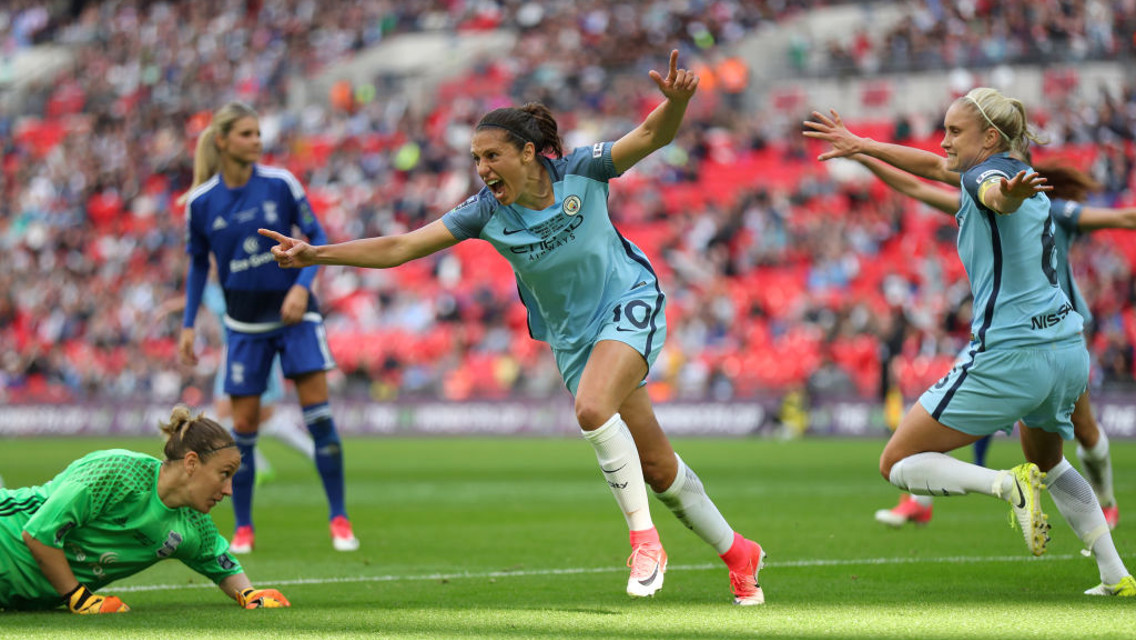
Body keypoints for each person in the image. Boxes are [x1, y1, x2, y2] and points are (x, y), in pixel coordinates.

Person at [259, 51, 767, 605]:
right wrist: (317, 255)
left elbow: (650, 136)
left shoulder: (583, 170)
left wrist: (678, 104)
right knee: (656, 465)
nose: (482, 168)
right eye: (476, 158)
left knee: (592, 410)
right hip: (573, 339)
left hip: (629, 301)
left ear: (528, 153)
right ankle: (740, 553)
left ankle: (645, 541)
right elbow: (402, 246)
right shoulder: (484, 212)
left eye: (492, 155)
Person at [803, 88, 1134, 596]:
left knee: (895, 463)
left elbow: (994, 192)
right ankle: (1116, 575)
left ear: (991, 138)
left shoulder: (988, 174)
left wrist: (1004, 194)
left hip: (1011, 352)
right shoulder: (1025, 187)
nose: (944, 141)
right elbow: (935, 171)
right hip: (1067, 348)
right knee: (1052, 462)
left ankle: (1005, 484)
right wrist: (864, 146)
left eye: (954, 132)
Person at [857, 156, 1125, 531]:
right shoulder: (980, 200)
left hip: (1056, 334)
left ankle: (1105, 503)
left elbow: (1123, 219)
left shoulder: (1056, 209)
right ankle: (921, 499)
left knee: (1081, 432)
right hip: (1004, 332)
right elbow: (921, 186)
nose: (949, 144)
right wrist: (863, 154)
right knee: (950, 405)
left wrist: (863, 149)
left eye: (956, 132)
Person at [178, 101, 357, 553]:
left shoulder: (281, 184)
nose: (257, 141)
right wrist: (187, 324)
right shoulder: (200, 203)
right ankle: (243, 528)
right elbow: (199, 266)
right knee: (242, 431)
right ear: (222, 141)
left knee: (318, 419)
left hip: (296, 317)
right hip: (243, 325)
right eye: (246, 134)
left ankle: (339, 518)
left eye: (258, 133)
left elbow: (315, 239)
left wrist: (301, 286)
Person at [0, 406, 290, 612]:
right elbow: (38, 534)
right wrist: (79, 598)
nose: (228, 490)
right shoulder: (117, 471)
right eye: (224, 474)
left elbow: (221, 564)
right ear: (191, 463)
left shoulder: (194, 524)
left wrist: (250, 595)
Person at [158, 279, 317, 487]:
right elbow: (194, 299)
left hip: (256, 348)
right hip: (232, 353)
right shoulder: (211, 286)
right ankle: (264, 465)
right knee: (228, 417)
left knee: (264, 419)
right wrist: (169, 307)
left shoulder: (241, 273)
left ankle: (309, 453)